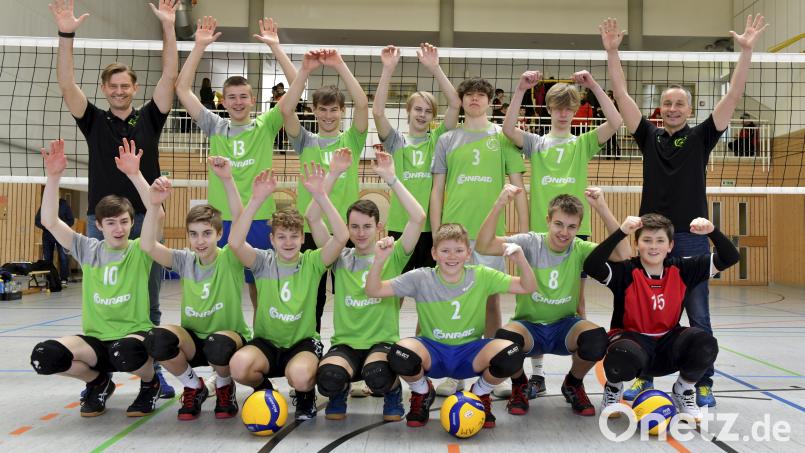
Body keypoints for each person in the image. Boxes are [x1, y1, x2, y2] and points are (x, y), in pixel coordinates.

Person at [601, 14, 768, 407]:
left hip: (691, 237)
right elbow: (622, 95)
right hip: (652, 238)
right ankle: (644, 377)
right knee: (643, 312)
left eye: (680, 103)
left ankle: (699, 382)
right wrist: (612, 52)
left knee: (698, 313)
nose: (673, 108)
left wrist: (746, 53)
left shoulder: (702, 136)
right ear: (659, 109)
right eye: (667, 103)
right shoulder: (649, 137)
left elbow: (733, 96)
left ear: (690, 109)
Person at [49, 0, 178, 398]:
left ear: (134, 89)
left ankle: (151, 379)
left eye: (126, 86)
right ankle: (98, 377)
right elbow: (67, 85)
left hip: (145, 217)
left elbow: (170, 76)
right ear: (105, 90)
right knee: (102, 297)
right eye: (113, 86)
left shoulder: (150, 118)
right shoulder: (95, 121)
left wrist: (169, 27)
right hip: (103, 219)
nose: (120, 91)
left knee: (149, 301)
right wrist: (66, 34)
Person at [501, 69, 622, 399]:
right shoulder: (537, 144)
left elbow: (615, 123)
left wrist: (595, 85)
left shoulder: (582, 144)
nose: (563, 112)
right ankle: (536, 375)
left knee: (576, 303)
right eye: (557, 107)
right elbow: (508, 129)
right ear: (549, 110)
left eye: (569, 107)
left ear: (576, 110)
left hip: (575, 234)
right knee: (536, 300)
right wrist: (520, 89)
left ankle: (574, 379)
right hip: (542, 235)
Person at [31, 139, 161, 418]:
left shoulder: (140, 250)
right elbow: (51, 221)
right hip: (96, 341)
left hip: (133, 338)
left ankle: (151, 384)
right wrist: (53, 177)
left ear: (131, 223)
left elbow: (156, 212)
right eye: (111, 223)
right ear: (99, 225)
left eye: (124, 221)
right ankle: (98, 382)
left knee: (124, 352)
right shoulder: (88, 249)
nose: (118, 228)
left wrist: (134, 174)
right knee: (46, 356)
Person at [175, 15, 297, 314]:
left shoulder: (266, 125)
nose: (238, 102)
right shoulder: (215, 126)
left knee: (261, 285)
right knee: (223, 282)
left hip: (258, 218)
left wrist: (276, 48)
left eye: (243, 97)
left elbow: (297, 85)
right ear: (223, 101)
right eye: (232, 97)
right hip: (222, 220)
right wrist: (199, 46)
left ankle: (262, 337)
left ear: (253, 100)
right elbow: (182, 90)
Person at [477, 186, 630, 416]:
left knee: (597, 340)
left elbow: (623, 255)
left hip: (565, 327)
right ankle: (519, 384)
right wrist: (499, 204)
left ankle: (573, 383)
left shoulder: (579, 248)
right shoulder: (530, 243)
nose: (564, 233)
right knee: (504, 341)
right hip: (529, 326)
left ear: (578, 228)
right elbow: (484, 246)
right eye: (559, 224)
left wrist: (602, 207)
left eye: (571, 227)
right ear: (548, 220)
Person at [365, 223, 537, 428]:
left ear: (468, 254)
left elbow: (528, 286)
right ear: (434, 253)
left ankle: (480, 394)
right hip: (433, 351)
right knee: (399, 353)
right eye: (445, 251)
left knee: (512, 353)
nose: (452, 256)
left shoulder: (481, 275)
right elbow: (374, 290)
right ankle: (422, 392)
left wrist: (521, 259)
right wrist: (379, 260)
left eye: (458, 250)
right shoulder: (421, 277)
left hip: (470, 353)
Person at [126, 155, 252, 421]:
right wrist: (154, 205)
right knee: (156, 338)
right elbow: (148, 245)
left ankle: (224, 385)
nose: (200, 241)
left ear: (219, 234)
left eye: (207, 233)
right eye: (193, 234)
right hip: (194, 340)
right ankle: (194, 386)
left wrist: (227, 180)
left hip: (229, 340)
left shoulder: (230, 257)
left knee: (218, 345)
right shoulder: (185, 260)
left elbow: (240, 218)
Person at [583, 214, 740, 422]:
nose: (653, 247)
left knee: (705, 343)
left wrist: (712, 231)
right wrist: (621, 232)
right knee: (622, 352)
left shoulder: (683, 269)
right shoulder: (626, 271)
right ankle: (613, 390)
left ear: (670, 245)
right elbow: (591, 264)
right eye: (646, 240)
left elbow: (730, 257)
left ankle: (683, 391)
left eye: (660, 241)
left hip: (668, 344)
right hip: (633, 343)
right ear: (637, 244)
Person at [308, 148, 426, 421]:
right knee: (327, 378)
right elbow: (313, 218)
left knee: (378, 376)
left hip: (381, 344)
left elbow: (418, 217)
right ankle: (341, 388)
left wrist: (392, 178)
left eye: (366, 227)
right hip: (346, 344)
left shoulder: (393, 254)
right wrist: (333, 175)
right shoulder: (339, 256)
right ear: (347, 228)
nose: (360, 233)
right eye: (354, 227)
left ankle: (393, 392)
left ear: (379, 227)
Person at [429, 76, 529, 396]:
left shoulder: (504, 138)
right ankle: (454, 373)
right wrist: (436, 233)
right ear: (461, 101)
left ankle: (493, 367)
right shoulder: (446, 138)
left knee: (489, 302)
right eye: (468, 95)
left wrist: (524, 236)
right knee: (454, 303)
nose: (474, 99)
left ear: (490, 101)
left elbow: (518, 186)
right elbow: (437, 190)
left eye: (480, 95)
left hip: (490, 235)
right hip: (454, 234)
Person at [227, 165, 349, 421]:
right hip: (267, 343)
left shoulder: (313, 263)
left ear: (302, 239)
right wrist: (256, 200)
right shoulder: (262, 262)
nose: (288, 242)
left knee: (302, 376)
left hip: (301, 344)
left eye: (294, 236)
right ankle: (264, 391)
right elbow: (235, 242)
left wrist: (321, 196)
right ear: (271, 240)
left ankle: (305, 394)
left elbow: (341, 236)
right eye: (281, 237)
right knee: (238, 366)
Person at [280, 48, 369, 333]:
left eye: (334, 109)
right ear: (314, 111)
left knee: (352, 294)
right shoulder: (305, 141)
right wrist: (304, 71)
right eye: (322, 109)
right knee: (312, 296)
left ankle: (352, 342)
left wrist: (341, 64)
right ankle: (311, 342)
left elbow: (363, 104)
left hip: (349, 229)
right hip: (311, 229)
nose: (328, 115)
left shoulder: (352, 140)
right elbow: (285, 109)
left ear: (342, 111)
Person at [373, 43, 460, 275]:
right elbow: (378, 113)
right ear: (407, 111)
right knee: (395, 291)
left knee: (429, 292)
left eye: (428, 111)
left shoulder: (438, 140)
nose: (422, 115)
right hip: (400, 227)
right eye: (418, 109)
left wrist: (436, 68)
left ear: (433, 116)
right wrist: (388, 70)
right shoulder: (396, 142)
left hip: (431, 230)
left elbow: (455, 104)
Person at [35, 197, 75, 285]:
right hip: (47, 235)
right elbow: (37, 221)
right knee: (48, 258)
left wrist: (60, 226)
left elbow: (71, 220)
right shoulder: (44, 205)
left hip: (61, 234)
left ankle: (64, 279)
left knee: (63, 257)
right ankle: (50, 279)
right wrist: (46, 226)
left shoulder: (64, 205)